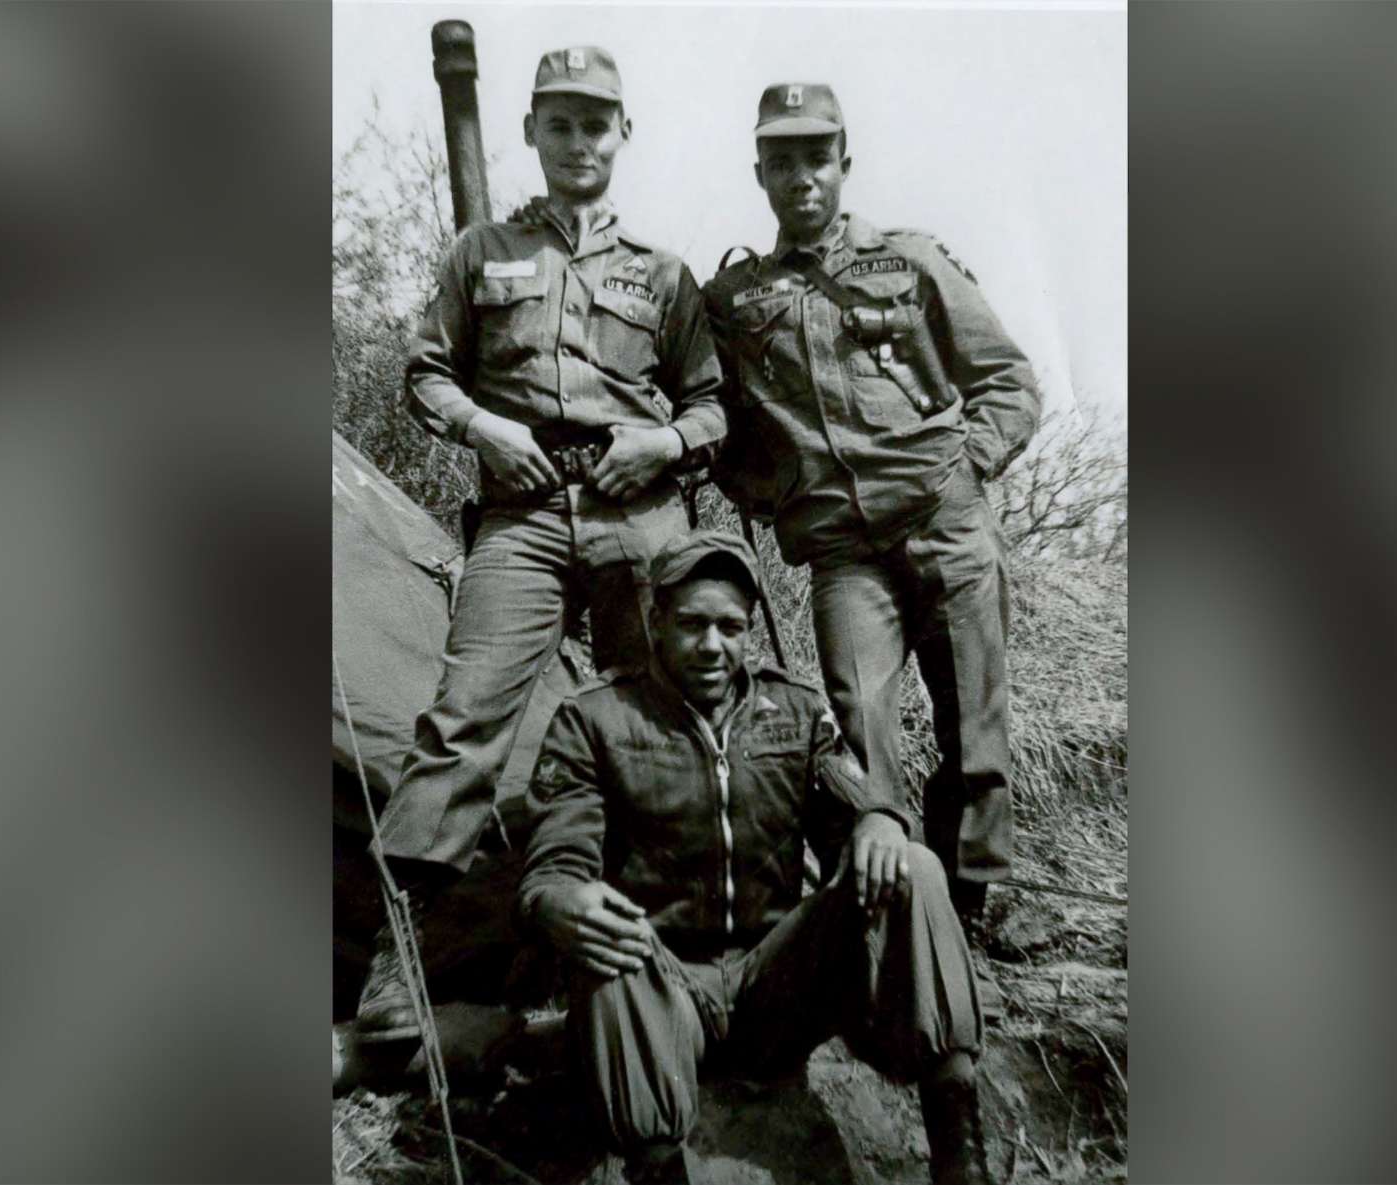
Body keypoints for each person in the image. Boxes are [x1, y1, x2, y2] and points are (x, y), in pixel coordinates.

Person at [358, 45, 729, 1042]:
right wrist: (488, 429)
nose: (577, 142)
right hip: (522, 513)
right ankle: (401, 960)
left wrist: (661, 441)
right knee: (464, 714)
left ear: (623, 137)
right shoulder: (480, 254)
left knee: (651, 718)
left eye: (595, 124)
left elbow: (710, 407)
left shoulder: (663, 274)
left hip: (634, 511)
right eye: (558, 124)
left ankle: (662, 945)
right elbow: (427, 374)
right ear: (531, 133)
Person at [701, 82, 1039, 1009]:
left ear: (844, 163)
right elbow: (712, 424)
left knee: (977, 728)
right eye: (781, 159)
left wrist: (967, 467)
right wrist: (773, 495)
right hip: (845, 552)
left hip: (946, 525)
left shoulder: (912, 261)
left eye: (817, 156)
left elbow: (1009, 380)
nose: (800, 176)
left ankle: (969, 913)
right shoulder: (734, 299)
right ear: (759, 173)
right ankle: (889, 914)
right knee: (858, 723)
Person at [523, 531, 991, 1185]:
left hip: (775, 986)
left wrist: (880, 816)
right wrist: (562, 899)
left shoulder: (795, 712)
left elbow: (850, 827)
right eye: (691, 624)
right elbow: (556, 858)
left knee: (913, 862)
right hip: (665, 993)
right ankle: (658, 1167)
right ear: (656, 620)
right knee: (610, 937)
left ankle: (962, 1159)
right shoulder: (595, 719)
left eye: (730, 627)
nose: (711, 646)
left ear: (750, 632)